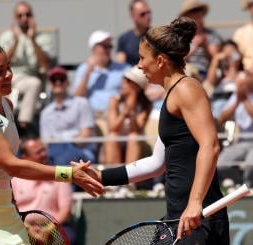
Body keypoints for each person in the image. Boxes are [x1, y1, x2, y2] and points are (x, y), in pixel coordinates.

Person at [0, 29, 103, 244]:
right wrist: (68, 174)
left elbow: (2, 172)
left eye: (8, 68)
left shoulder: (7, 104)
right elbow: (12, 166)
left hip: (2, 205)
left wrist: (12, 203)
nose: (8, 75)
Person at [83, 17, 229, 244]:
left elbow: (210, 145)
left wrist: (195, 203)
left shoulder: (187, 89)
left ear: (160, 61)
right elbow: (156, 163)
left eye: (142, 58)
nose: (139, 66)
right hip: (179, 218)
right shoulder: (171, 97)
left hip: (199, 219)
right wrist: (102, 176)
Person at [0, 1, 55, 129]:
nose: (24, 18)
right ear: (15, 18)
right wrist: (16, 41)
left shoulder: (43, 38)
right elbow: (1, 63)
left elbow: (44, 65)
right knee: (33, 84)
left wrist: (33, 40)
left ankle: (20, 123)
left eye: (27, 15)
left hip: (30, 78)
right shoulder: (6, 37)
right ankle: (24, 124)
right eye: (20, 15)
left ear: (32, 17)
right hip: (9, 77)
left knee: (34, 83)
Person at [11, 136, 77, 244]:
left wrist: (48, 230)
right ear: (25, 157)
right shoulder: (14, 179)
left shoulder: (60, 176)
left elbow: (65, 211)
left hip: (54, 227)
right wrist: (28, 228)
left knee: (69, 236)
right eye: (38, 152)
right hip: (21, 226)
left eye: (44, 150)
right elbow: (11, 208)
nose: (44, 154)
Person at [72, 30, 131, 137]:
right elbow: (77, 97)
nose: (107, 50)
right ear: (93, 49)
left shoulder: (123, 69)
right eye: (104, 46)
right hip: (93, 117)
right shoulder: (83, 69)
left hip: (115, 114)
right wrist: (88, 71)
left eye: (109, 46)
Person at [40, 66, 96, 166]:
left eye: (61, 79)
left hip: (80, 150)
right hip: (56, 152)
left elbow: (85, 136)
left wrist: (66, 144)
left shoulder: (82, 103)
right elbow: (46, 142)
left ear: (67, 82)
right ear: (50, 84)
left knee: (63, 158)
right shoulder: (46, 112)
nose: (58, 82)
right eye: (54, 80)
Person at [104, 66, 152, 164]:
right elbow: (113, 128)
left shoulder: (146, 105)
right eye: (124, 79)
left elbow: (136, 130)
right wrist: (125, 113)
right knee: (113, 136)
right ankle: (115, 176)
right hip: (117, 142)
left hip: (134, 143)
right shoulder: (114, 100)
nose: (123, 83)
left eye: (128, 81)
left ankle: (131, 178)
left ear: (137, 87)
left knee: (133, 137)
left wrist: (131, 112)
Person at [178, 0, 222, 81]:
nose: (196, 14)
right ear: (186, 16)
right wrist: (194, 48)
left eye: (198, 10)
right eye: (192, 11)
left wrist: (205, 46)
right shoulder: (180, 36)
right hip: (183, 72)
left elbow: (216, 60)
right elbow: (176, 60)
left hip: (205, 74)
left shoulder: (212, 35)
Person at [116, 0, 151, 66]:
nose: (148, 17)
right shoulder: (124, 39)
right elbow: (120, 65)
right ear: (133, 16)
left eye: (148, 13)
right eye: (143, 14)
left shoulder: (154, 36)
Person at [233, 0, 253, 74]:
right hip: (246, 73)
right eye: (251, 5)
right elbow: (234, 56)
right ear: (248, 8)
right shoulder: (240, 33)